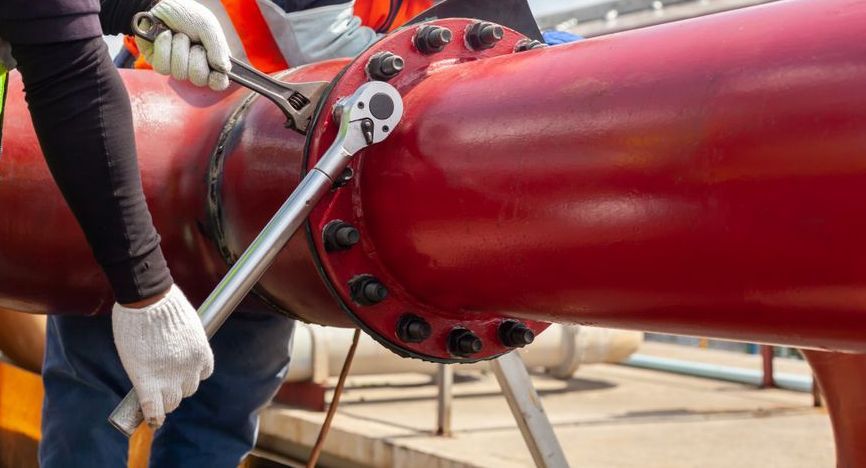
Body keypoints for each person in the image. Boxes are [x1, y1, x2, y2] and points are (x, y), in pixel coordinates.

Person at [0, 0, 295, 466]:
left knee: (215, 403)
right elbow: (66, 74)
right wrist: (145, 292)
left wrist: (137, 11)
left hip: (260, 182)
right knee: (97, 392)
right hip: (164, 151)